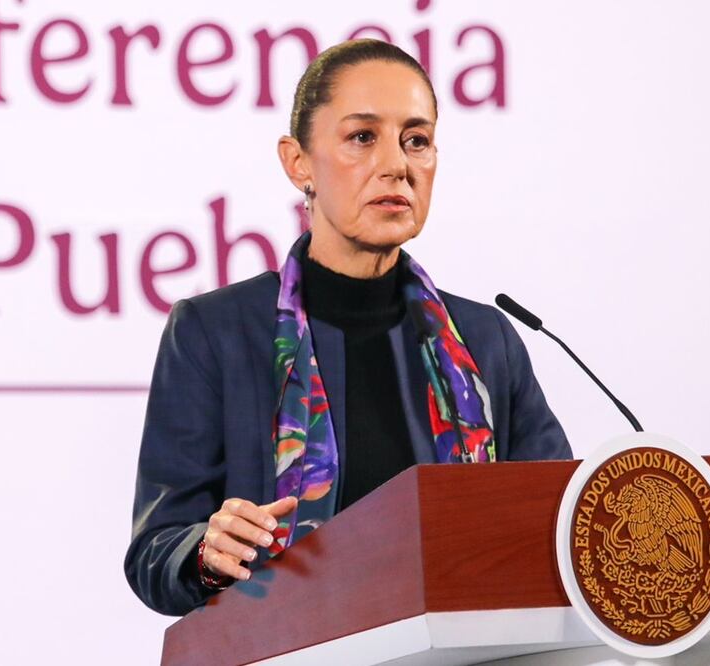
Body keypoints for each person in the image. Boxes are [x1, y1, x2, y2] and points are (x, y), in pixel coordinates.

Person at [124, 39, 572, 617]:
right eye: (363, 137)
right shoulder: (216, 333)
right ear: (298, 163)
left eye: (417, 140)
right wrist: (205, 553)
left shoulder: (487, 341)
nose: (396, 165)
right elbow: (155, 551)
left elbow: (561, 524)